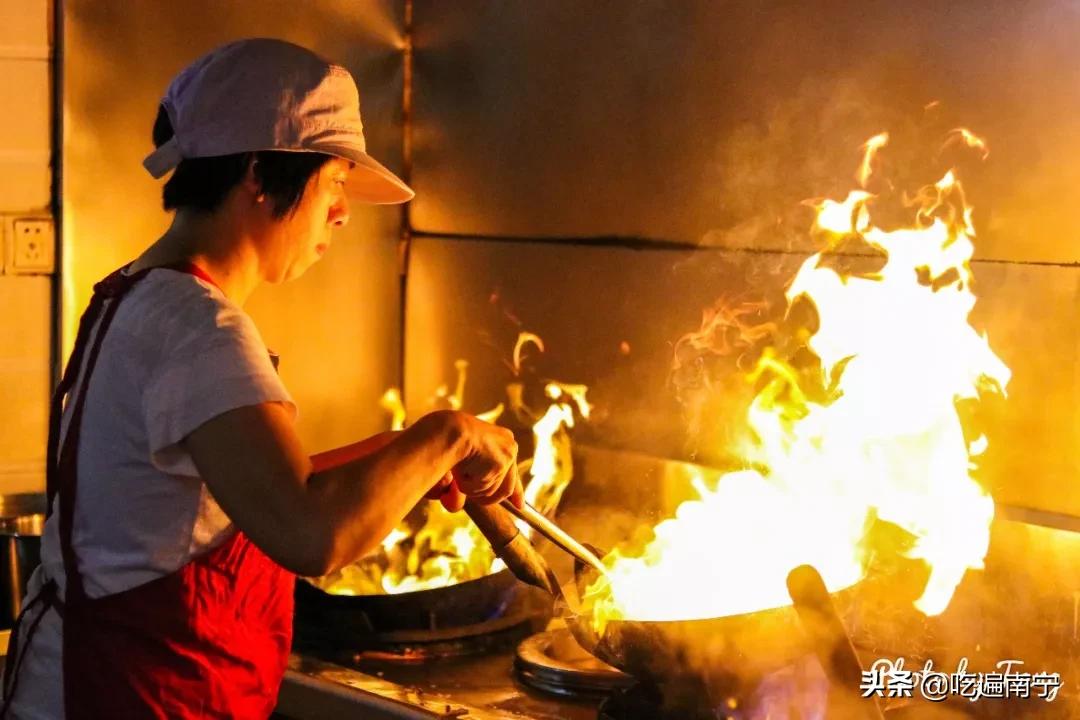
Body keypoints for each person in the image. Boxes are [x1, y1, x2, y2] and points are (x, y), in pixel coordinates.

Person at [1, 38, 522, 720]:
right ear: (258, 173)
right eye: (336, 182)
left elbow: (237, 490)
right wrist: (449, 436)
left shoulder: (143, 296)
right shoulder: (200, 329)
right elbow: (309, 533)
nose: (343, 212)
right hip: (128, 694)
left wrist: (402, 460)